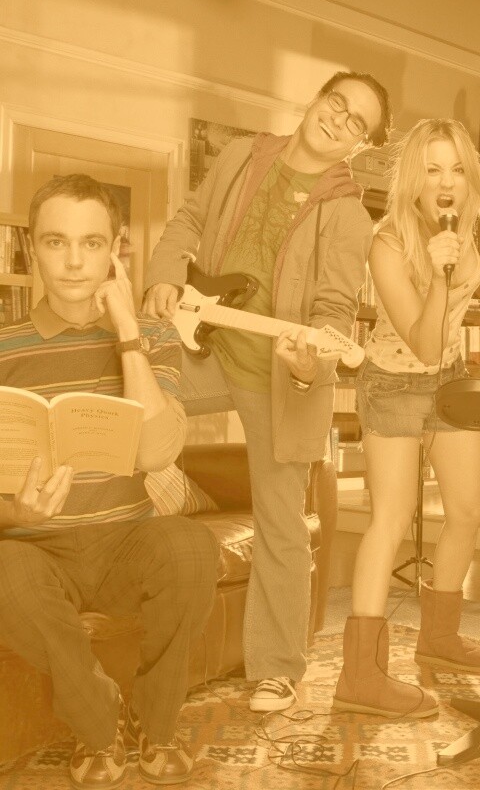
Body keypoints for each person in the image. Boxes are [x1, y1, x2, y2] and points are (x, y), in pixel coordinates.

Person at [142, 71, 393, 712]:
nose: (338, 120)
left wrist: (310, 359)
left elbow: (333, 308)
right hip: (204, 344)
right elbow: (190, 220)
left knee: (282, 521)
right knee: (126, 392)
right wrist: (165, 275)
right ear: (317, 99)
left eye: (356, 122)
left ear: (361, 144)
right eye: (337, 103)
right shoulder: (239, 156)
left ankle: (278, 668)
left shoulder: (348, 217)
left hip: (277, 377)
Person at [0, 174, 219, 789]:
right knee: (3, 569)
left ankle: (156, 720)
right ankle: (100, 721)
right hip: (38, 552)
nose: (74, 262)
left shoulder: (154, 337)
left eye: (91, 243)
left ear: (116, 250)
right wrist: (17, 514)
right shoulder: (3, 348)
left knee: (192, 548)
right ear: (32, 248)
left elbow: (157, 451)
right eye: (56, 242)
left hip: (127, 542)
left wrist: (127, 331)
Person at [333, 118, 480, 719]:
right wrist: (442, 273)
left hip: (448, 380)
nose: (446, 182)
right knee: (391, 519)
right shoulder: (388, 242)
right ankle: (360, 675)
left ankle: (438, 637)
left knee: (467, 511)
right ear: (413, 178)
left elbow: (449, 340)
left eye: (458, 169)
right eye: (433, 169)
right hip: (393, 382)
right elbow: (422, 340)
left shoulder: (465, 231)